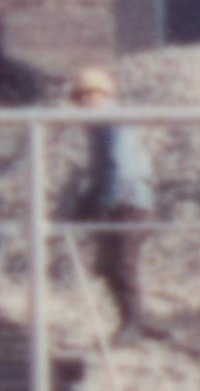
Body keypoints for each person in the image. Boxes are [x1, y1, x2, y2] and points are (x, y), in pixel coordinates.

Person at [62, 64, 163, 335]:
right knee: (110, 264)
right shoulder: (99, 125)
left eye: (85, 97)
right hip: (120, 199)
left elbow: (121, 166)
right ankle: (133, 319)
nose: (82, 104)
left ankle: (133, 324)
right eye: (79, 99)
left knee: (121, 263)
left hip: (127, 202)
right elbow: (102, 167)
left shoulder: (112, 121)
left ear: (99, 95)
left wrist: (102, 202)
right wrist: (87, 200)